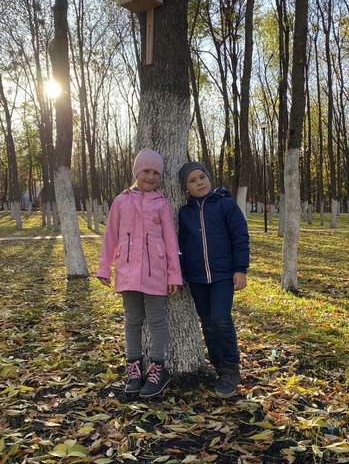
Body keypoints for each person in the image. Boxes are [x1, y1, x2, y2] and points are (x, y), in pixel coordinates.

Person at [97, 149, 182, 398]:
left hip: (156, 273)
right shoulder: (121, 201)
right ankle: (134, 367)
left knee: (156, 320)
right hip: (127, 272)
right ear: (136, 172)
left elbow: (170, 241)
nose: (151, 176)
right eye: (146, 171)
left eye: (156, 172)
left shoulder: (161, 203)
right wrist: (104, 267)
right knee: (132, 320)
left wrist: (174, 275)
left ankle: (158, 367)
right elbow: (110, 236)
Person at [178, 162, 249, 398]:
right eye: (192, 180)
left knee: (221, 319)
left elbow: (240, 236)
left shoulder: (225, 205)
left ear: (209, 177)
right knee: (207, 322)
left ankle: (231, 368)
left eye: (202, 177)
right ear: (185, 188)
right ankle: (219, 367)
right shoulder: (184, 212)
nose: (199, 182)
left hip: (222, 276)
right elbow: (179, 246)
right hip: (197, 278)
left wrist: (240, 269)